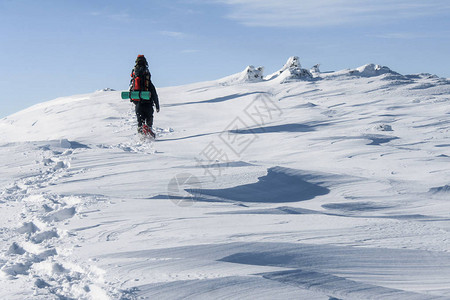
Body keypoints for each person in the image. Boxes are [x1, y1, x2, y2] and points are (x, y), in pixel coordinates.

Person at [129, 54, 160, 137]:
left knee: (140, 122)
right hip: (148, 104)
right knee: (149, 119)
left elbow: (131, 95)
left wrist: (134, 100)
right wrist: (157, 105)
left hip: (138, 104)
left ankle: (142, 134)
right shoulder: (149, 83)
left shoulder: (134, 81)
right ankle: (148, 129)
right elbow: (154, 94)